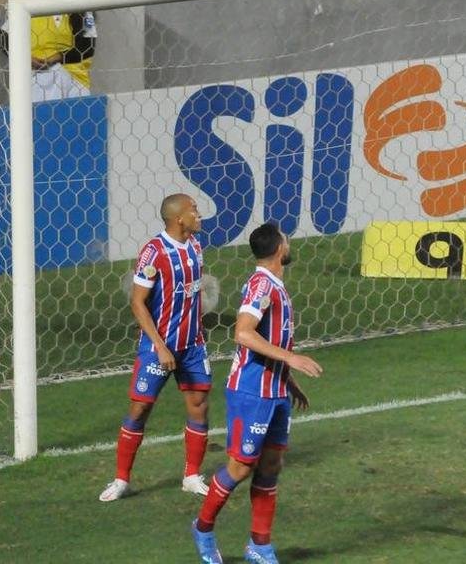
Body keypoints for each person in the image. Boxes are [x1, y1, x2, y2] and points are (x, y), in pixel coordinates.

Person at [191, 223, 323, 564]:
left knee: (272, 466)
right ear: (280, 248)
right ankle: (203, 528)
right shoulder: (262, 285)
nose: (290, 243)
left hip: (275, 392)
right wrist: (292, 358)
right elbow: (243, 334)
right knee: (239, 468)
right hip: (251, 393)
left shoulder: (275, 285)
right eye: (287, 238)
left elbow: (271, 339)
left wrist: (288, 379)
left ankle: (259, 546)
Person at [99, 194, 211, 502]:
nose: (199, 215)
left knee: (199, 405)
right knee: (140, 408)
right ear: (178, 219)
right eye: (194, 211)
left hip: (193, 346)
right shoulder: (154, 253)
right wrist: (161, 347)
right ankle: (121, 479)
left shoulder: (196, 247)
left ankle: (191, 475)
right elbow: (137, 302)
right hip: (158, 347)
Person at [0, 0, 97, 102]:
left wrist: (56, 58)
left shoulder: (82, 8)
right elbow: (3, 38)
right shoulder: (28, 4)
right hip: (36, 76)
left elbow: (88, 46)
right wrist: (26, 58)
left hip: (73, 78)